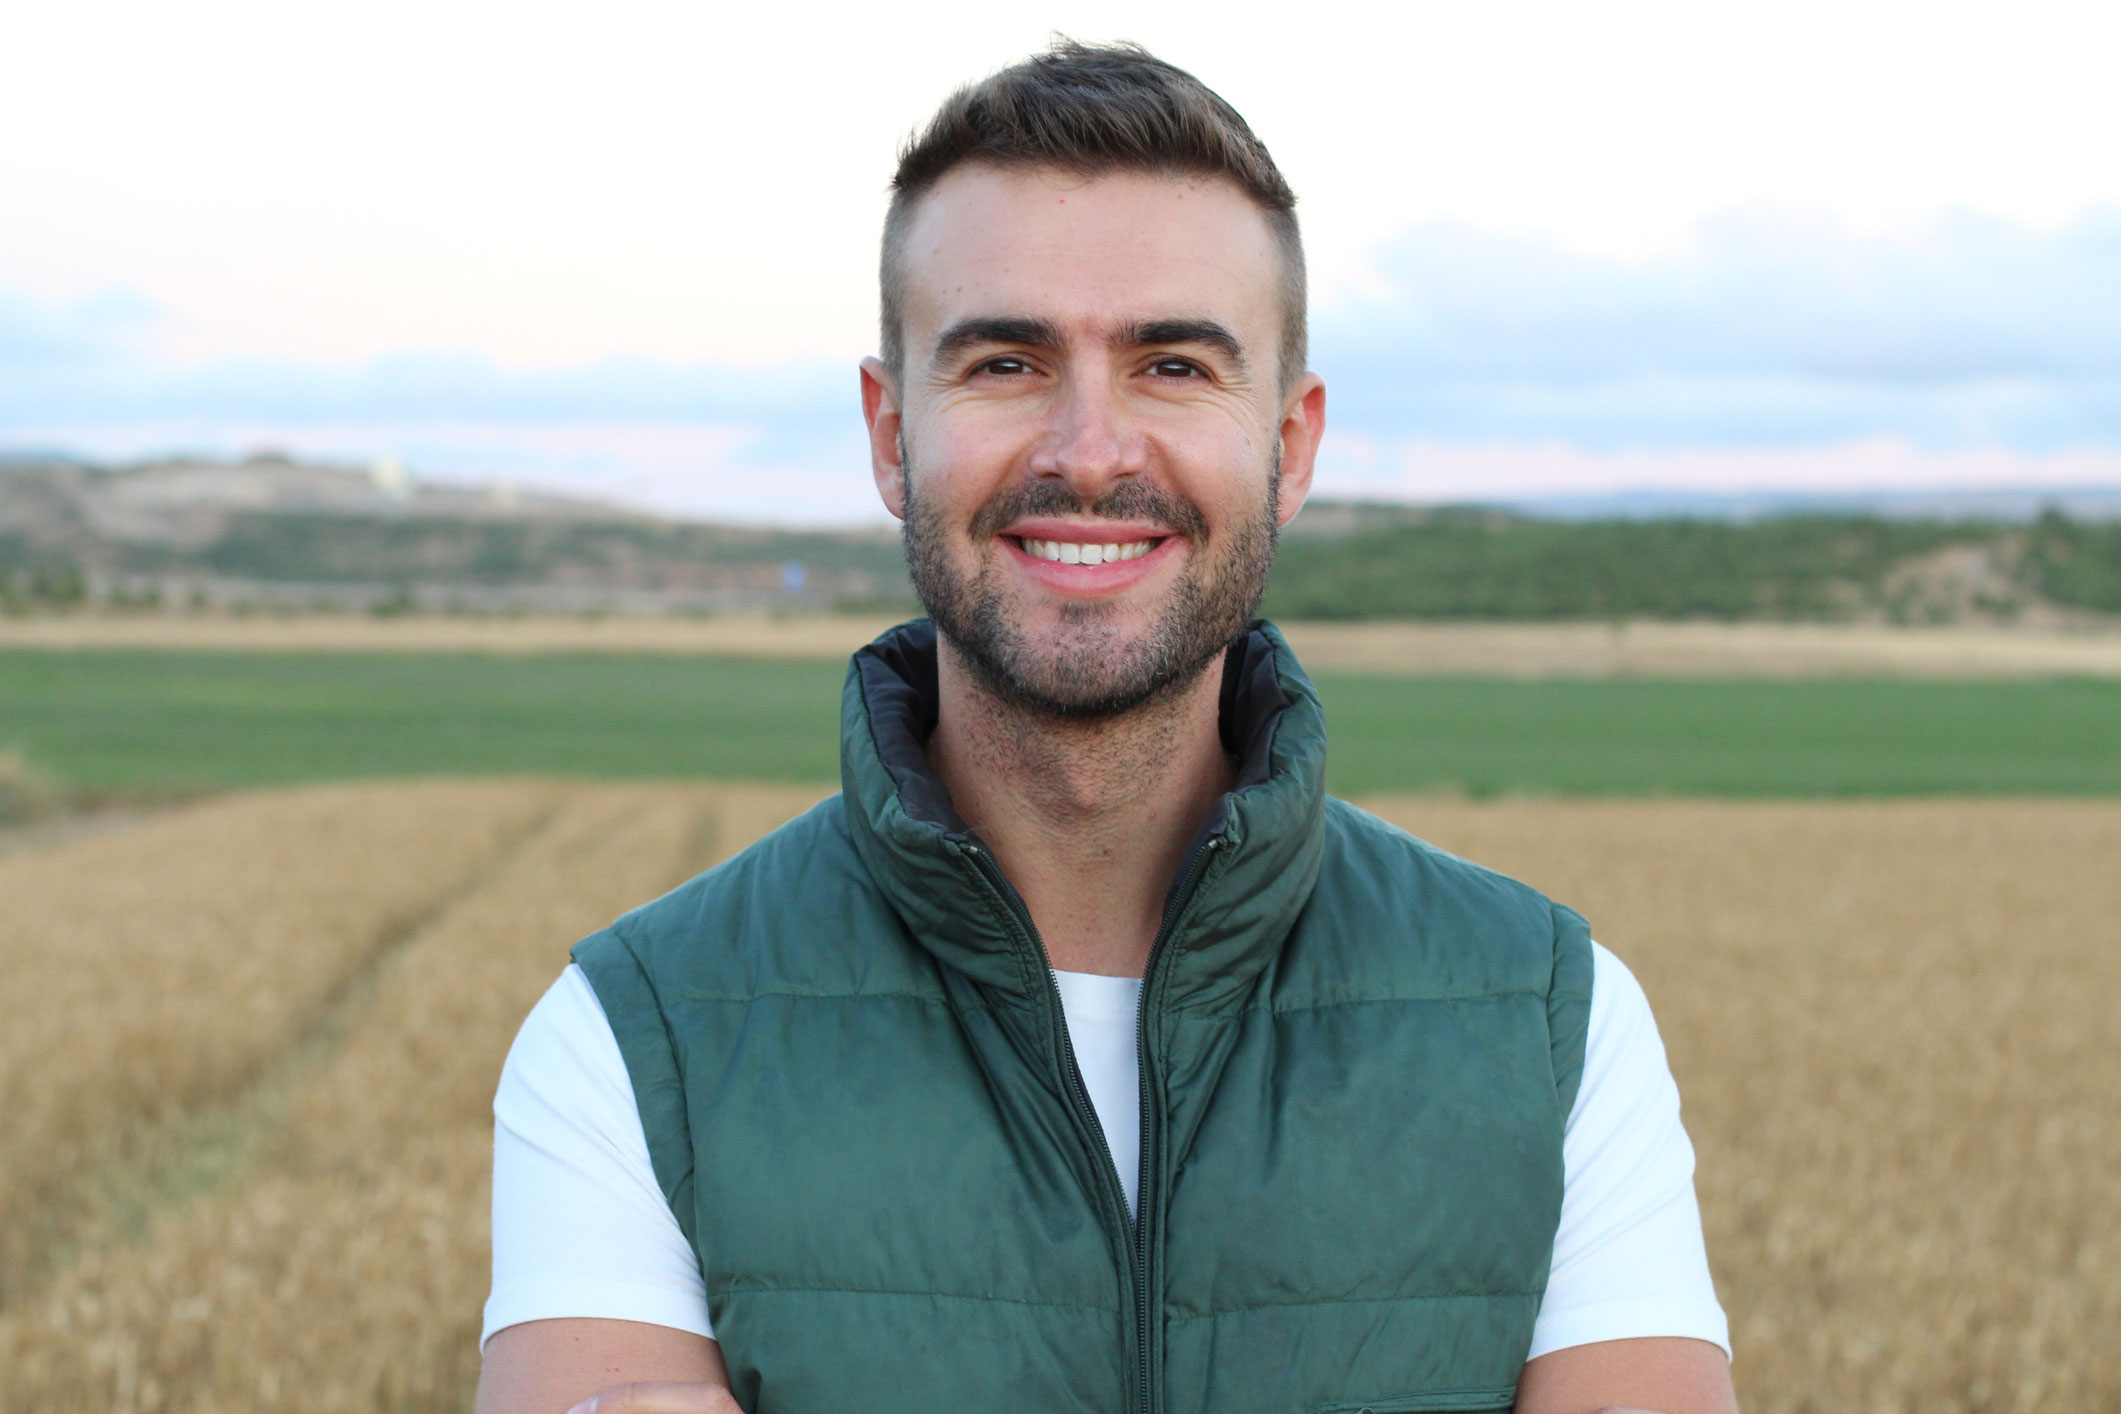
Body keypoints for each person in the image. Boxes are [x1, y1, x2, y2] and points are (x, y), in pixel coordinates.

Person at [475, 41, 1737, 1414]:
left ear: (1291, 443)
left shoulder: (1551, 1024)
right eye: (1007, 361)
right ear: (890, 433)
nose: (1088, 449)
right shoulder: (631, 1039)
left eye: (1173, 364)